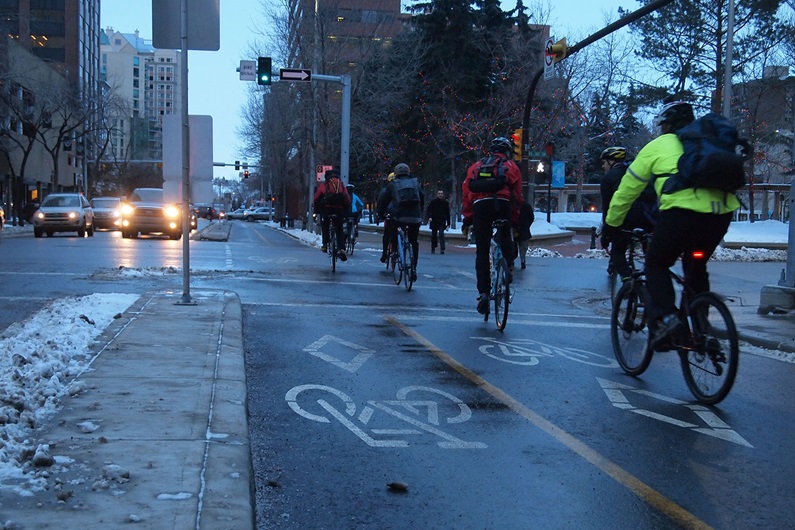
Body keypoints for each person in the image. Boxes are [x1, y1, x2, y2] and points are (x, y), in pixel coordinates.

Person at [603, 100, 741, 350]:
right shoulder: (709, 141)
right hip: (720, 216)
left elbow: (626, 192)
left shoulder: (657, 146)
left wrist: (611, 225)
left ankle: (668, 319)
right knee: (696, 265)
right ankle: (702, 331)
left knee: (657, 263)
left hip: (680, 214)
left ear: (665, 125)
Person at [462, 136, 524, 315]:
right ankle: (508, 267)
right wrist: (515, 219)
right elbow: (517, 196)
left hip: (480, 206)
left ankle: (483, 293)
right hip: (502, 205)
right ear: (507, 151)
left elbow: (466, 194)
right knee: (505, 236)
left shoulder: (475, 167)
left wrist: (468, 218)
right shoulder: (511, 167)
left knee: (482, 251)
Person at [599, 146, 657, 280]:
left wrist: (606, 233)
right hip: (648, 218)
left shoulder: (608, 178)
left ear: (610, 162)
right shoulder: (635, 172)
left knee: (618, 251)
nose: (603, 166)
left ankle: (627, 282)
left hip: (625, 219)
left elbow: (607, 208)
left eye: (604, 163)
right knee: (650, 250)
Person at [377, 163, 424, 282]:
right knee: (414, 242)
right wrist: (420, 212)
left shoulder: (392, 184)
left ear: (396, 173)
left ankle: (394, 251)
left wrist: (380, 214)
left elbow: (383, 201)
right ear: (408, 172)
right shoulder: (415, 182)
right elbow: (422, 197)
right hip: (415, 216)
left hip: (399, 216)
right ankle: (414, 269)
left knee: (393, 229)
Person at [313, 168, 351, 261]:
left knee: (325, 225)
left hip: (327, 209)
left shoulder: (324, 185)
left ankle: (325, 245)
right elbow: (348, 200)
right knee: (339, 229)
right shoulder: (341, 185)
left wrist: (316, 210)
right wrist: (346, 211)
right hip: (339, 210)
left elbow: (316, 198)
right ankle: (342, 248)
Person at [425, 189, 451, 254]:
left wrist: (448, 223)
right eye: (439, 193)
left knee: (441, 234)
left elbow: (447, 213)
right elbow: (428, 210)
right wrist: (429, 217)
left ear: (443, 194)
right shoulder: (433, 202)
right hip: (434, 221)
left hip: (442, 221)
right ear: (437, 194)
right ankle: (433, 247)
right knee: (434, 235)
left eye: (441, 193)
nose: (440, 195)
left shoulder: (445, 203)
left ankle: (442, 248)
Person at [377, 172, 395, 262]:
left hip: (390, 215)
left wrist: (380, 214)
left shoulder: (387, 189)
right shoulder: (404, 186)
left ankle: (384, 253)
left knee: (387, 234)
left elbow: (381, 202)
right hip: (404, 214)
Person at [514, 201, 535, 269]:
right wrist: (527, 225)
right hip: (524, 229)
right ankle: (523, 260)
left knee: (513, 245)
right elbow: (531, 217)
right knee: (523, 246)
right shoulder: (526, 205)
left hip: (514, 228)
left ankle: (511, 261)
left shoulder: (511, 204)